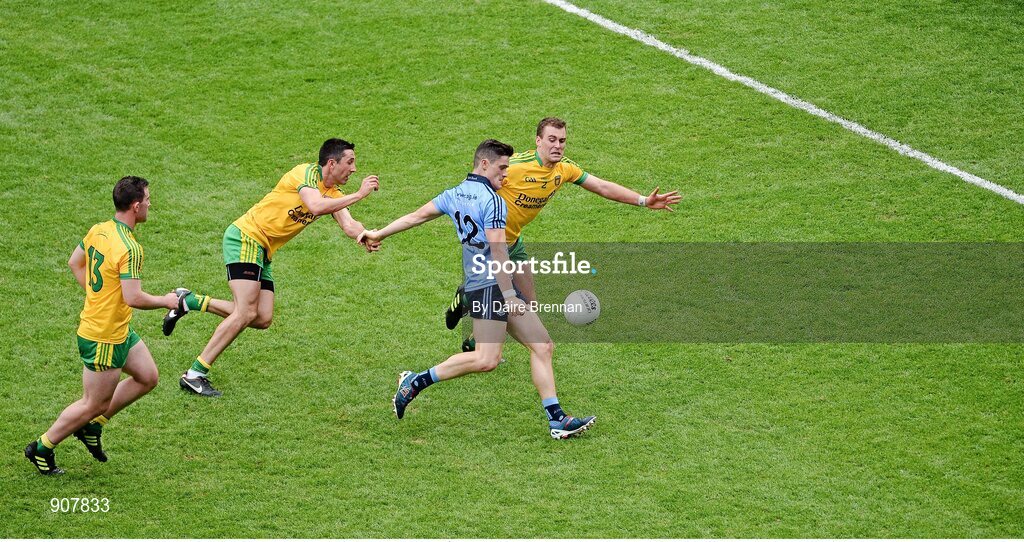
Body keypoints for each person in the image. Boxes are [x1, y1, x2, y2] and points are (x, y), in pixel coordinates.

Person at [360, 139, 596, 439]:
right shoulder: (494, 201)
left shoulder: (454, 193)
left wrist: (378, 232)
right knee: (487, 360)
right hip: (489, 285)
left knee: (543, 346)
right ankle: (414, 381)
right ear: (484, 164)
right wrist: (510, 295)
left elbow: (416, 217)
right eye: (501, 168)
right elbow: (499, 250)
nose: (506, 175)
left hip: (484, 282)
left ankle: (557, 420)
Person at [169, 138, 380, 397]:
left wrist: (365, 236)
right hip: (246, 237)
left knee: (262, 318)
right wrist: (358, 194)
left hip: (263, 250)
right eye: (350, 162)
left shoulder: (333, 193)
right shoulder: (304, 174)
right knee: (245, 312)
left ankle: (189, 301)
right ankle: (194, 374)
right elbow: (314, 205)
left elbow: (349, 224)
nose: (354, 169)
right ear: (332, 163)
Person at [445, 117, 682, 341]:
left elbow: (601, 186)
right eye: (552, 139)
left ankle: (476, 341)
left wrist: (643, 200)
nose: (558, 145)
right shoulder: (515, 167)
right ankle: (467, 297)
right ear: (538, 141)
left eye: (562, 140)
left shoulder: (564, 169)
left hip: (513, 242)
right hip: (490, 247)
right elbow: (476, 186)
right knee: (506, 300)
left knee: (529, 304)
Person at [25, 176, 185, 475]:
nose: (150, 204)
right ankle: (42, 447)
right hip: (104, 336)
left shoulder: (99, 230)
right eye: (148, 200)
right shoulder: (131, 248)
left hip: (118, 328)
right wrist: (166, 301)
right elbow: (133, 297)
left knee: (148, 377)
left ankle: (93, 427)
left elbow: (75, 262)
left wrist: (97, 296)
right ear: (136, 206)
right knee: (92, 403)